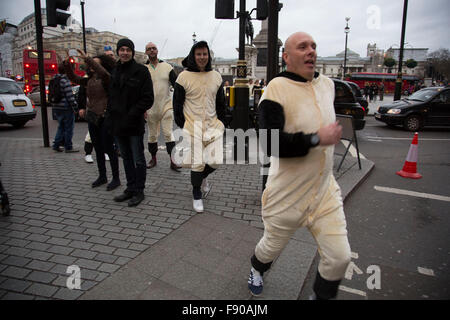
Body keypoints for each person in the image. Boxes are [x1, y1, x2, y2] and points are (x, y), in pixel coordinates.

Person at [247, 32, 351, 300]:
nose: (311, 51)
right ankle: (256, 269)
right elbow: (270, 143)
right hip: (287, 195)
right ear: (286, 56)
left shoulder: (327, 85)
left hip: (324, 192)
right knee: (269, 248)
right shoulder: (276, 89)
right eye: (302, 47)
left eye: (314, 46)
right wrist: (317, 139)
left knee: (340, 258)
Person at [173, 40, 226, 213]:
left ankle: (201, 178)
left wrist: (223, 122)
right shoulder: (183, 77)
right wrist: (184, 125)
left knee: (216, 161)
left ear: (209, 56)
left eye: (205, 54)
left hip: (213, 126)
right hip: (192, 126)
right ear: (193, 56)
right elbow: (177, 104)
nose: (202, 57)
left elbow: (220, 103)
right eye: (198, 54)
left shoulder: (216, 76)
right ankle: (196, 194)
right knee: (197, 162)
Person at [105, 38, 154, 206]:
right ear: (118, 51)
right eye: (122, 49)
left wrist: (132, 114)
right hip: (118, 124)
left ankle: (139, 190)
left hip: (133, 123)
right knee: (125, 158)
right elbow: (111, 97)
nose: (125, 52)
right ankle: (130, 188)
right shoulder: (115, 71)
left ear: (132, 52)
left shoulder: (141, 71)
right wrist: (110, 120)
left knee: (138, 159)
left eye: (128, 50)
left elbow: (148, 98)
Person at [65, 49, 121, 191]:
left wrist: (88, 58)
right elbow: (74, 79)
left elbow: (102, 72)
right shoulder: (89, 79)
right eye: (90, 63)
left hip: (105, 117)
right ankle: (102, 176)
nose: (91, 65)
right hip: (93, 117)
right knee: (98, 148)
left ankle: (116, 178)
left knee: (109, 148)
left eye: (95, 63)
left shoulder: (107, 78)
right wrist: (67, 65)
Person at [144, 42, 182, 172]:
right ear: (146, 53)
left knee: (168, 133)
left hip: (166, 106)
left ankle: (173, 161)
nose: (152, 50)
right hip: (151, 108)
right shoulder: (144, 69)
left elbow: (176, 85)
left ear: (157, 50)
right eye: (149, 49)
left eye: (154, 48)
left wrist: (179, 103)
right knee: (152, 135)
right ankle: (153, 158)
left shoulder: (167, 67)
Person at [51, 64, 79, 153]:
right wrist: (75, 107)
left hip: (56, 106)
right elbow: (70, 96)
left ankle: (56, 144)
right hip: (66, 107)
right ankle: (68, 147)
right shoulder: (65, 80)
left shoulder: (54, 79)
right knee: (68, 128)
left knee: (61, 127)